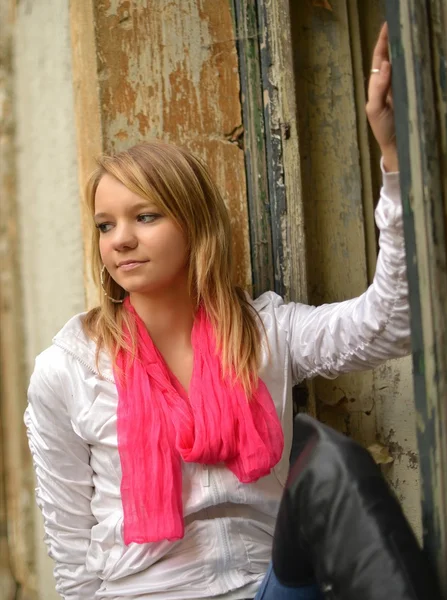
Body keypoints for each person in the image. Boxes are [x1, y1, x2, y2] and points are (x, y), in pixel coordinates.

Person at [25, 23, 409, 600]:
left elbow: (391, 323)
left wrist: (394, 162)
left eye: (145, 216)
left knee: (335, 471)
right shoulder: (68, 369)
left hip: (264, 588)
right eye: (106, 226)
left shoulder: (263, 334)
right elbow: (71, 550)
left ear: (194, 224)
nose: (121, 240)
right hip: (143, 593)